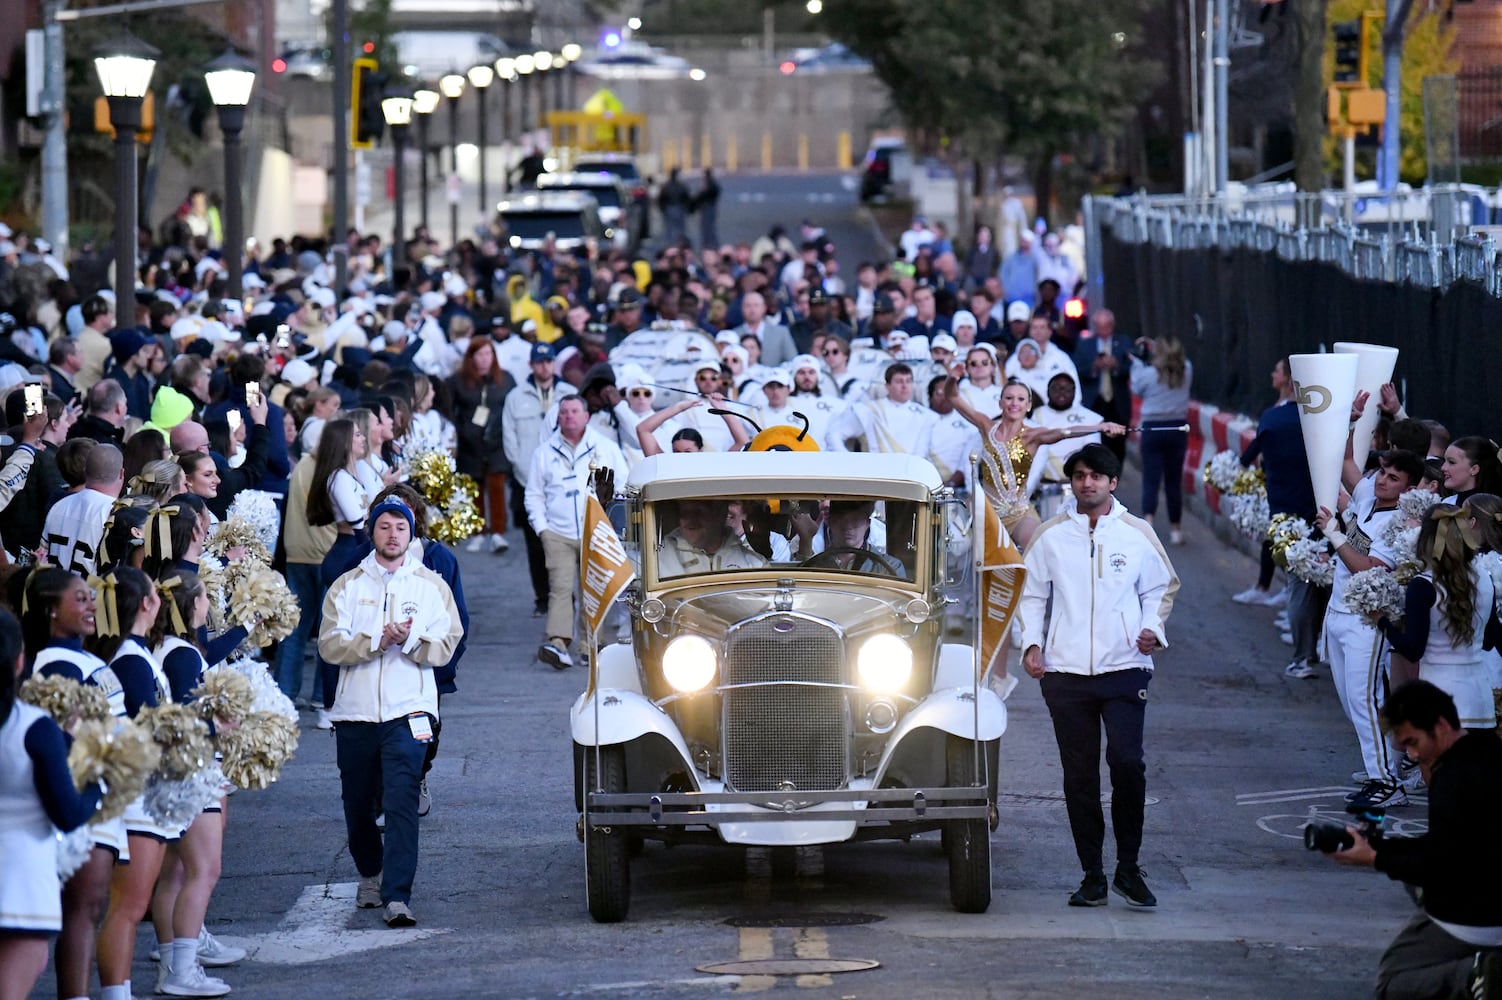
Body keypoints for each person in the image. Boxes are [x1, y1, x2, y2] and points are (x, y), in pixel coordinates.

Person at [1018, 444, 1179, 909]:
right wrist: (1032, 643)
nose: (1086, 483)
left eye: (1096, 476)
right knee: (1079, 777)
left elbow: (1161, 587)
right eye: (1079, 476)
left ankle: (1128, 867)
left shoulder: (1136, 533)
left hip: (1125, 667)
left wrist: (1151, 628)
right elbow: (1030, 595)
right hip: (1065, 673)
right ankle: (1092, 874)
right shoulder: (1050, 536)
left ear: (1112, 482)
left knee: (1128, 764)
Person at [319, 497, 464, 929]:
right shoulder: (348, 585)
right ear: (373, 533)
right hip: (356, 715)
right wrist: (375, 641)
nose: (393, 534)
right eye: (384, 526)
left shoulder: (431, 585)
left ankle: (398, 895)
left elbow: (447, 643)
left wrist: (410, 643)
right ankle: (370, 873)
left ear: (411, 533)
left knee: (402, 802)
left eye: (400, 527)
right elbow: (329, 645)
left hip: (410, 713)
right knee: (358, 807)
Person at [1330, 681, 1502, 999]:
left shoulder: (1450, 779)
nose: (1413, 754)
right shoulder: (1488, 747)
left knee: (1393, 981)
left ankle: (1477, 974)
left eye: (1413, 742)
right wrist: (1381, 847)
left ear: (1439, 725)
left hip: (1477, 915)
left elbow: (1439, 862)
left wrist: (1375, 858)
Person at [0, 605, 102, 1000]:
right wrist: (100, 779)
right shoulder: (33, 727)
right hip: (20, 889)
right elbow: (68, 814)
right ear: (19, 662)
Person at [1316, 448, 1426, 810]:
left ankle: (1386, 781)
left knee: (1365, 701)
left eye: (1394, 477)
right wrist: (1348, 424)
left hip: (1367, 619)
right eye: (1382, 472)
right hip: (1337, 613)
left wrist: (1335, 535)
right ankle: (1392, 764)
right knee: (1353, 703)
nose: (1382, 480)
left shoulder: (1400, 521)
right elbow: (1343, 460)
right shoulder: (1367, 501)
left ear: (1409, 487)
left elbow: (1368, 567)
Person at [945, 377, 1125, 549]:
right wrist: (953, 378)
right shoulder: (987, 426)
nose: (1014, 403)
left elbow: (1065, 432)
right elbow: (953, 397)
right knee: (977, 558)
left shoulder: (1032, 435)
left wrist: (1099, 427)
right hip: (985, 512)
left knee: (1040, 546)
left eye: (1021, 399)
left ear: (1028, 405)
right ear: (1000, 403)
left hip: (1018, 514)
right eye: (1009, 398)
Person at [524, 395, 629, 670]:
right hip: (557, 531)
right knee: (559, 588)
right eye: (564, 412)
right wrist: (542, 529)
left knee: (592, 588)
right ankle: (558, 642)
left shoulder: (605, 448)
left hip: (595, 530)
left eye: (574, 411)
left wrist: (613, 526)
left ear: (586, 416)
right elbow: (533, 494)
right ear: (558, 417)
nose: (569, 416)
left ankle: (590, 644)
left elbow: (625, 483)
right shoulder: (544, 452)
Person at [1379, 505, 1497, 729]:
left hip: (1438, 701)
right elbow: (1490, 640)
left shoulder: (1422, 585)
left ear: (1425, 538)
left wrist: (1381, 621)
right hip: (1480, 702)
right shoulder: (1485, 578)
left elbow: (1413, 650)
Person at [1130, 336, 1192, 545]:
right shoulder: (1187, 371)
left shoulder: (1147, 374)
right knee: (1173, 481)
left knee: (1151, 479)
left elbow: (1136, 389)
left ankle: (1148, 523)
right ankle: (1176, 529)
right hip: (1177, 427)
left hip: (1153, 428)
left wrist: (1138, 362)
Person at [43, 441, 124, 575]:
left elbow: (41, 557)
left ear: (85, 471)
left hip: (54, 590)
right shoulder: (118, 514)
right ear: (121, 473)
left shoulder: (59, 506)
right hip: (91, 594)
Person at [656, 498, 768, 576]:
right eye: (684, 512)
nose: (690, 520)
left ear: (721, 513)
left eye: (699, 512)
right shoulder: (656, 561)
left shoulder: (755, 564)